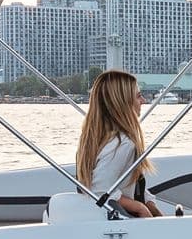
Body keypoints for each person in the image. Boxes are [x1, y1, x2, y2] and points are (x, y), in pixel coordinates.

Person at [75, 69, 178, 217]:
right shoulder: (123, 143)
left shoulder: (96, 139)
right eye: (138, 96)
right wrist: (139, 207)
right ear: (122, 103)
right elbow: (99, 190)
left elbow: (125, 183)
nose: (143, 101)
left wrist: (149, 202)